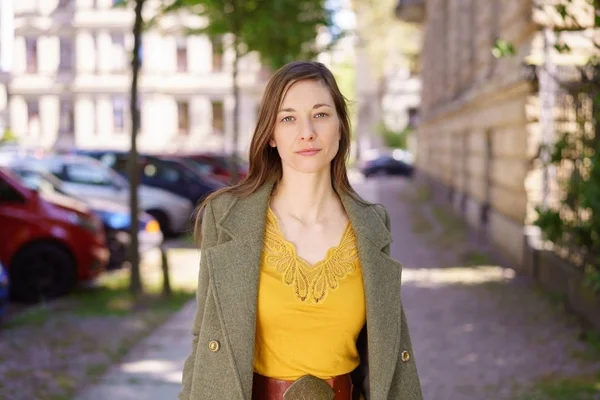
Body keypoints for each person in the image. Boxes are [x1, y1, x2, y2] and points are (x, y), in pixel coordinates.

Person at [179, 61, 422, 400]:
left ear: (340, 128)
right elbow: (202, 342)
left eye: (321, 114)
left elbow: (386, 353)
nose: (306, 131)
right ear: (272, 136)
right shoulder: (225, 217)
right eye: (288, 118)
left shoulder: (372, 225)